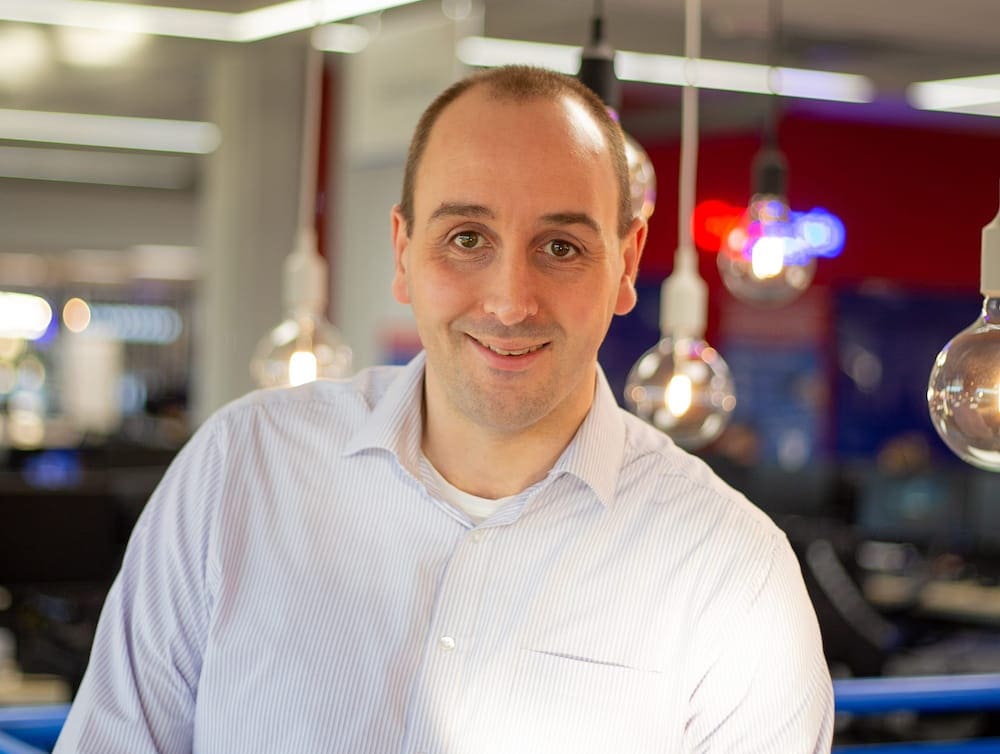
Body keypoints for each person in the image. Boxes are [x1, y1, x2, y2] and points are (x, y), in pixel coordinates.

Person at [55, 65, 833, 753]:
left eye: (561, 247)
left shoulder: (734, 577)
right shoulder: (240, 469)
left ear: (625, 265)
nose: (509, 301)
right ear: (403, 253)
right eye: (467, 237)